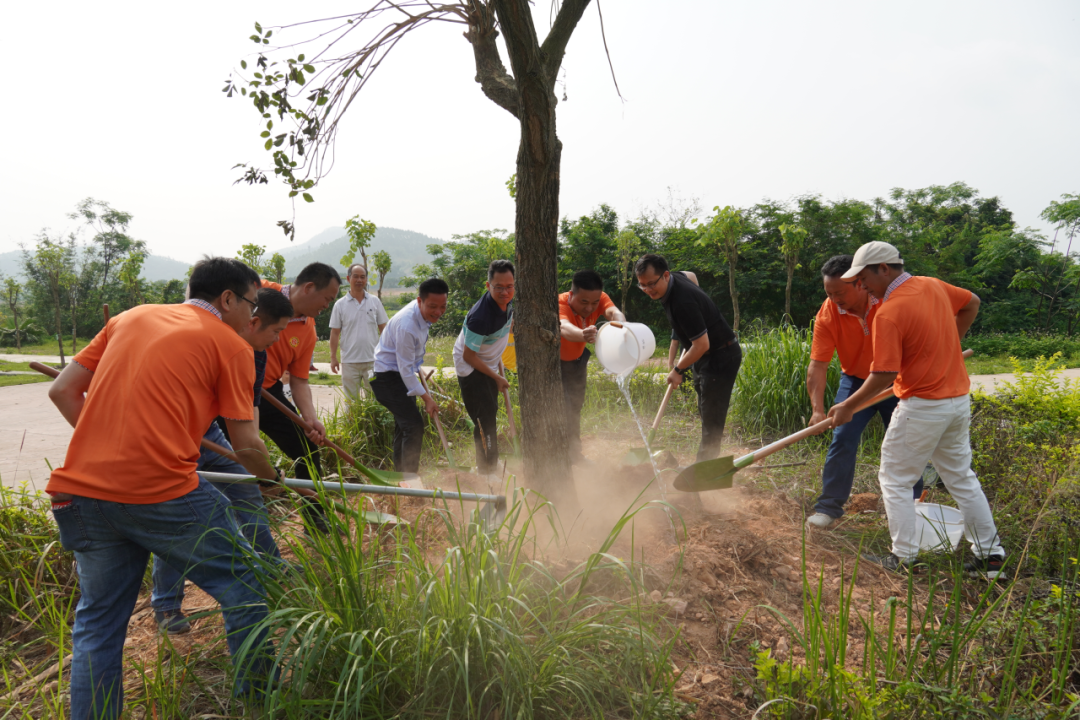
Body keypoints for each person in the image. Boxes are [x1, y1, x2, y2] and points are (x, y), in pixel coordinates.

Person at [46, 257, 276, 719]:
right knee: (244, 584)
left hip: (80, 493)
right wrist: (269, 479)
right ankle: (262, 703)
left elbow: (63, 392)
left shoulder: (128, 317)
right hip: (161, 493)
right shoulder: (231, 347)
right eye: (252, 304)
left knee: (98, 624)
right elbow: (246, 442)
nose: (253, 317)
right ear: (227, 299)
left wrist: (112, 448)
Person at [828, 241, 1006, 576]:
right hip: (956, 403)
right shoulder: (933, 285)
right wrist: (951, 342)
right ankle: (990, 557)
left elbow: (883, 374)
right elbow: (973, 303)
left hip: (923, 406)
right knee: (962, 478)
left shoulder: (890, 312)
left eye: (863, 277)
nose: (861, 285)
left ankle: (905, 557)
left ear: (884, 268)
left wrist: (849, 405)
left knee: (895, 478)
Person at [151, 287, 295, 634]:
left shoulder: (254, 350)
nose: (277, 342)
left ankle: (270, 565)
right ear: (252, 320)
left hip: (208, 430)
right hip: (171, 437)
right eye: (275, 332)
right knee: (176, 516)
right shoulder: (208, 337)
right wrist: (268, 473)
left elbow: (249, 414)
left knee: (247, 491)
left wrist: (256, 465)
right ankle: (167, 605)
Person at [805, 256, 925, 529]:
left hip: (898, 381)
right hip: (856, 380)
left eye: (840, 292)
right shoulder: (828, 312)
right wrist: (817, 409)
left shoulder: (889, 303)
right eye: (829, 293)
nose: (835, 299)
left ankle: (914, 505)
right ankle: (829, 508)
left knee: (905, 444)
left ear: (861, 284)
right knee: (843, 437)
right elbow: (818, 364)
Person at [257, 262, 342, 533]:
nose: (327, 306)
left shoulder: (308, 329)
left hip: (267, 391)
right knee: (234, 455)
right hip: (226, 389)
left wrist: (310, 419)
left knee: (306, 448)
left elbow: (299, 380)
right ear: (308, 288)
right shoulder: (257, 290)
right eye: (327, 298)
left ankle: (315, 518)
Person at [635, 253, 742, 462]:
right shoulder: (677, 278)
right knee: (706, 408)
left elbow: (702, 344)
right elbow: (691, 275)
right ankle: (706, 461)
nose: (647, 290)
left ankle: (703, 473)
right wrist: (700, 304)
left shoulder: (682, 303)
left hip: (720, 356)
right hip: (702, 356)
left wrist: (677, 370)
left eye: (651, 284)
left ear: (665, 275)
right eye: (642, 285)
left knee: (712, 420)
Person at [370, 278, 450, 473]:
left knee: (404, 426)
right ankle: (410, 480)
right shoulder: (407, 325)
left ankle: (401, 476)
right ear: (419, 301)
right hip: (387, 378)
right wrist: (427, 398)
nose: (438, 312)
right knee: (414, 425)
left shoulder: (422, 315)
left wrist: (417, 367)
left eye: (443, 307)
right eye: (433, 306)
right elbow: (405, 369)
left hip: (399, 374)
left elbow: (409, 364)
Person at [453, 259, 514, 479]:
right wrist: (496, 377)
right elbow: (468, 356)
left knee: (490, 413)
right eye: (499, 287)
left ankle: (492, 462)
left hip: (487, 362)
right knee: (484, 418)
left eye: (509, 286)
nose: (505, 292)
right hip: (470, 367)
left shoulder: (506, 304)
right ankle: (485, 471)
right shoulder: (481, 316)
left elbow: (507, 324)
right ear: (488, 286)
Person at [559, 269, 626, 464]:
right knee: (562, 409)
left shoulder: (600, 298)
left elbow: (613, 312)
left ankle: (574, 456)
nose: (590, 308)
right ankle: (559, 457)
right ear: (572, 295)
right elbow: (564, 327)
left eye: (594, 303)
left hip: (578, 361)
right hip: (556, 365)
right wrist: (583, 334)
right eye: (584, 302)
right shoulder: (560, 302)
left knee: (575, 408)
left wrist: (621, 323)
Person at [329, 263, 389, 398]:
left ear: (366, 279)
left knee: (374, 399)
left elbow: (383, 329)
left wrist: (386, 354)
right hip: (349, 362)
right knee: (351, 401)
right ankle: (351, 420)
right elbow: (335, 333)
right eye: (355, 276)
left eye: (362, 277)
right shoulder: (340, 305)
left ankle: (373, 420)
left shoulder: (375, 301)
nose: (359, 280)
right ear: (348, 278)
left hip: (373, 361)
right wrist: (333, 357)